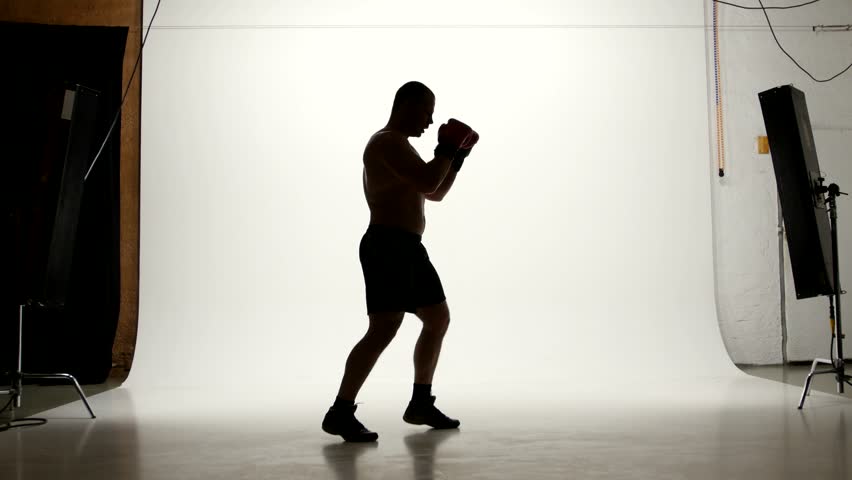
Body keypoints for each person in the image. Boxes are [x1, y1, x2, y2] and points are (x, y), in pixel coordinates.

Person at [322, 81, 479, 442]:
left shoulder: (401, 148)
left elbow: (434, 192)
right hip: (389, 245)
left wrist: (455, 158)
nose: (431, 120)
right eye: (427, 111)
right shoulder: (387, 142)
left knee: (434, 318)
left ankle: (418, 403)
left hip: (402, 246)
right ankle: (341, 412)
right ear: (405, 104)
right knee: (385, 328)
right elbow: (427, 178)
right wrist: (446, 147)